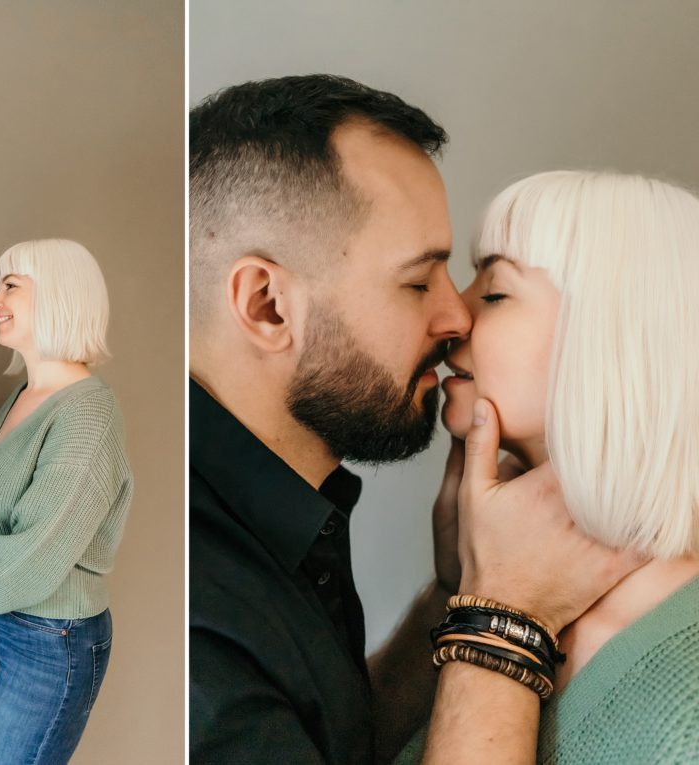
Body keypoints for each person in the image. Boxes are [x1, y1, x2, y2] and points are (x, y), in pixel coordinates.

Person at [189, 74, 638, 764]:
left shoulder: (286, 511)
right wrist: (504, 616)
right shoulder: (198, 614)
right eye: (417, 279)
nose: (457, 315)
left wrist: (457, 595)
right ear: (268, 306)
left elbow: (327, 742)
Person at [396, 170, 699, 763]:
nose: (453, 312)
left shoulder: (684, 712)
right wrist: (465, 591)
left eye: (495, 292)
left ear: (613, 334)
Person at [0, 238, 133, 764]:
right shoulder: (25, 396)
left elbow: (30, 558)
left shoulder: (87, 414)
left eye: (10, 286)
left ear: (59, 296)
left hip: (49, 641)